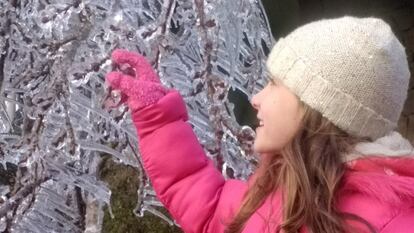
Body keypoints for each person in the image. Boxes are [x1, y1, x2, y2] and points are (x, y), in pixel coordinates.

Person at [105, 16, 414, 233]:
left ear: (319, 107)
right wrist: (159, 118)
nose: (256, 97)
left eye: (274, 83)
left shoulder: (395, 222)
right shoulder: (284, 191)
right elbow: (211, 211)